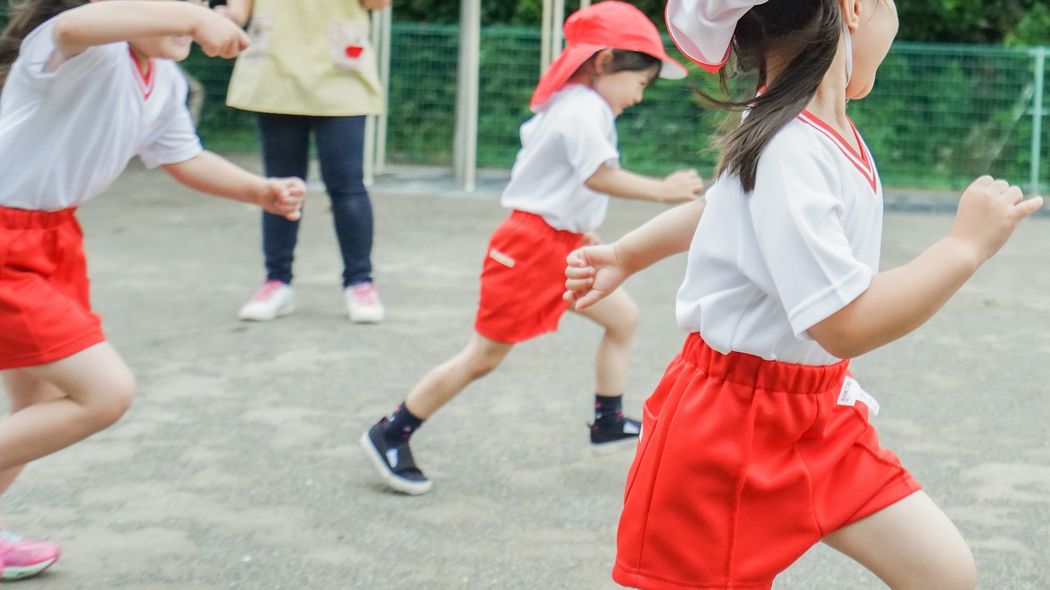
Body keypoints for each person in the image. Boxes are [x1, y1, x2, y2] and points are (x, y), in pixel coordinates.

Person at [564, 1, 1044, 588]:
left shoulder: (806, 128)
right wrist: (964, 247)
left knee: (945, 573)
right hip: (729, 435)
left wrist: (626, 254)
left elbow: (724, 210)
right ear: (855, 9)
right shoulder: (789, 143)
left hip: (819, 414)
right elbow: (842, 322)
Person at [0, 0, 304, 579]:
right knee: (104, 394)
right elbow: (71, 24)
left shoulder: (162, 79)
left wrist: (258, 191)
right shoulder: (79, 50)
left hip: (53, 238)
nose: (202, 13)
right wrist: (189, 20)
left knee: (35, 408)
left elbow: (182, 156)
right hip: (5, 241)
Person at [360, 1, 705, 496]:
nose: (638, 95)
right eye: (640, 82)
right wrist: (663, 190)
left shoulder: (579, 105)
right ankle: (391, 432)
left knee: (622, 318)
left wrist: (584, 232)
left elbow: (569, 185)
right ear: (605, 62)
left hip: (561, 244)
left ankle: (607, 420)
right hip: (530, 248)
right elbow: (596, 175)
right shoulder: (582, 108)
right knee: (482, 357)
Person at [219, 0, 391, 324]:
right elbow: (239, 10)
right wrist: (220, 18)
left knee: (347, 186)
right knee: (278, 187)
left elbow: (377, 3)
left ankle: (360, 282)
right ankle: (277, 282)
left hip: (341, 69)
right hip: (275, 71)